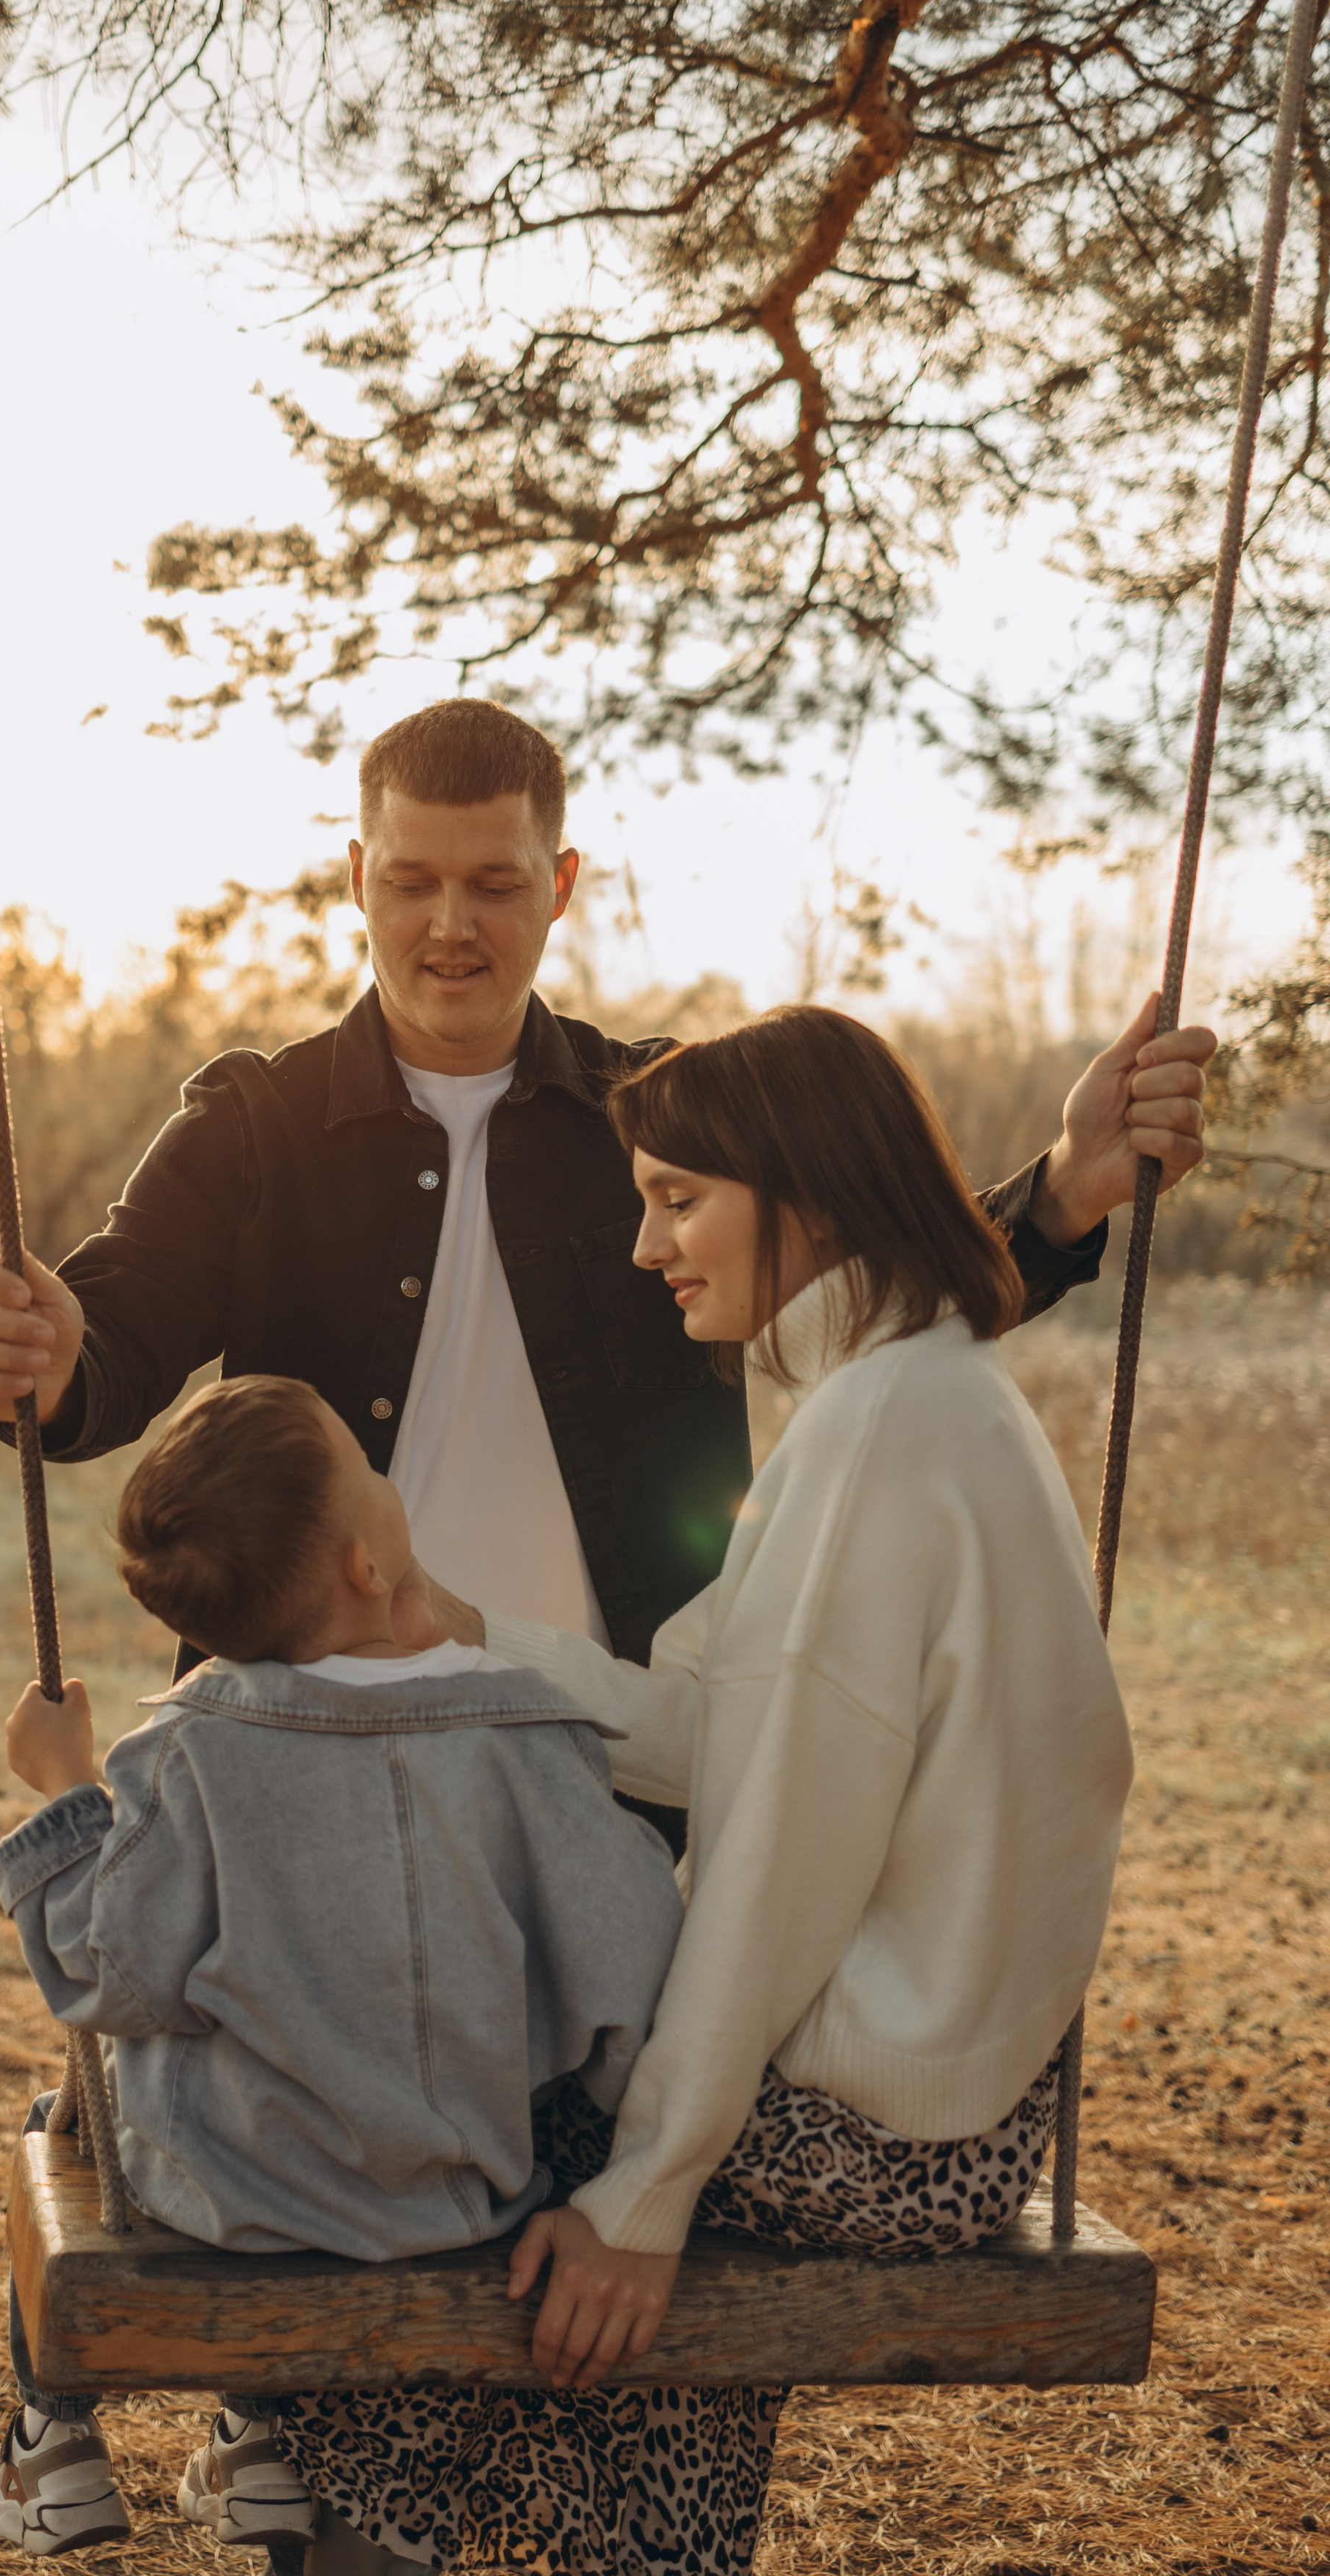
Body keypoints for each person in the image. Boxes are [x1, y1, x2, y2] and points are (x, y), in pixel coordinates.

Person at [0, 697, 1213, 2543]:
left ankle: (387, 2477)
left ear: (559, 882)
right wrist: (53, 1358)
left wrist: (1068, 1195)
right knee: (290, 2045)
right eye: (406, 882)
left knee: (406, 2114)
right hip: (338, 1748)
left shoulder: (654, 1121)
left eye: (487, 883)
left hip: (588, 1770)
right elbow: (113, 1338)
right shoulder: (255, 1122)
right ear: (353, 881)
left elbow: (861, 1266)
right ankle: (231, 2424)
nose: (446, 923)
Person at [274, 1005, 1134, 2576]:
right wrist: (458, 1634)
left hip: (881, 2127)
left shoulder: (880, 1432)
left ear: (800, 1192)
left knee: (425, 2105)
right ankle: (619, 2548)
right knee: (576, 2155)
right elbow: (710, 1728)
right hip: (931, 2096)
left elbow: (780, 1858)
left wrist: (652, 2187)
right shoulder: (890, 1395)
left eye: (677, 1198)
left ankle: (331, 2503)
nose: (642, 1245)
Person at [0, 1372, 683, 2560]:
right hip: (463, 2197)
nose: (383, 1466)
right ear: (366, 1564)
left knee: (73, 2115)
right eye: (367, 1462)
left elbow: (105, 1971)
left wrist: (69, 1791)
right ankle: (257, 2451)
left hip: (233, 2201)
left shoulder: (193, 1754)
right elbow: (634, 1965)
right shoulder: (526, 1733)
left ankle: (53, 2446)